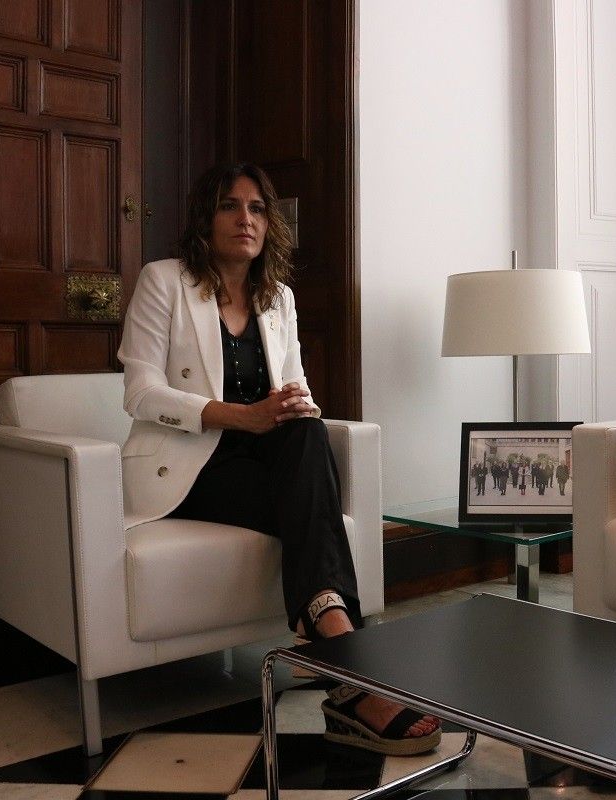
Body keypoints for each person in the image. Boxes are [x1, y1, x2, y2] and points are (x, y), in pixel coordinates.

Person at [118, 162, 440, 754]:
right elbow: (138, 393)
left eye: (258, 208)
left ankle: (332, 645)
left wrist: (293, 406)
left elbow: (295, 388)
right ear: (204, 219)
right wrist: (241, 415)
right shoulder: (163, 281)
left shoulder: (279, 297)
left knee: (309, 431)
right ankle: (345, 659)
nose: (245, 219)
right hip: (189, 466)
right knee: (310, 495)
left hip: (266, 457)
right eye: (230, 206)